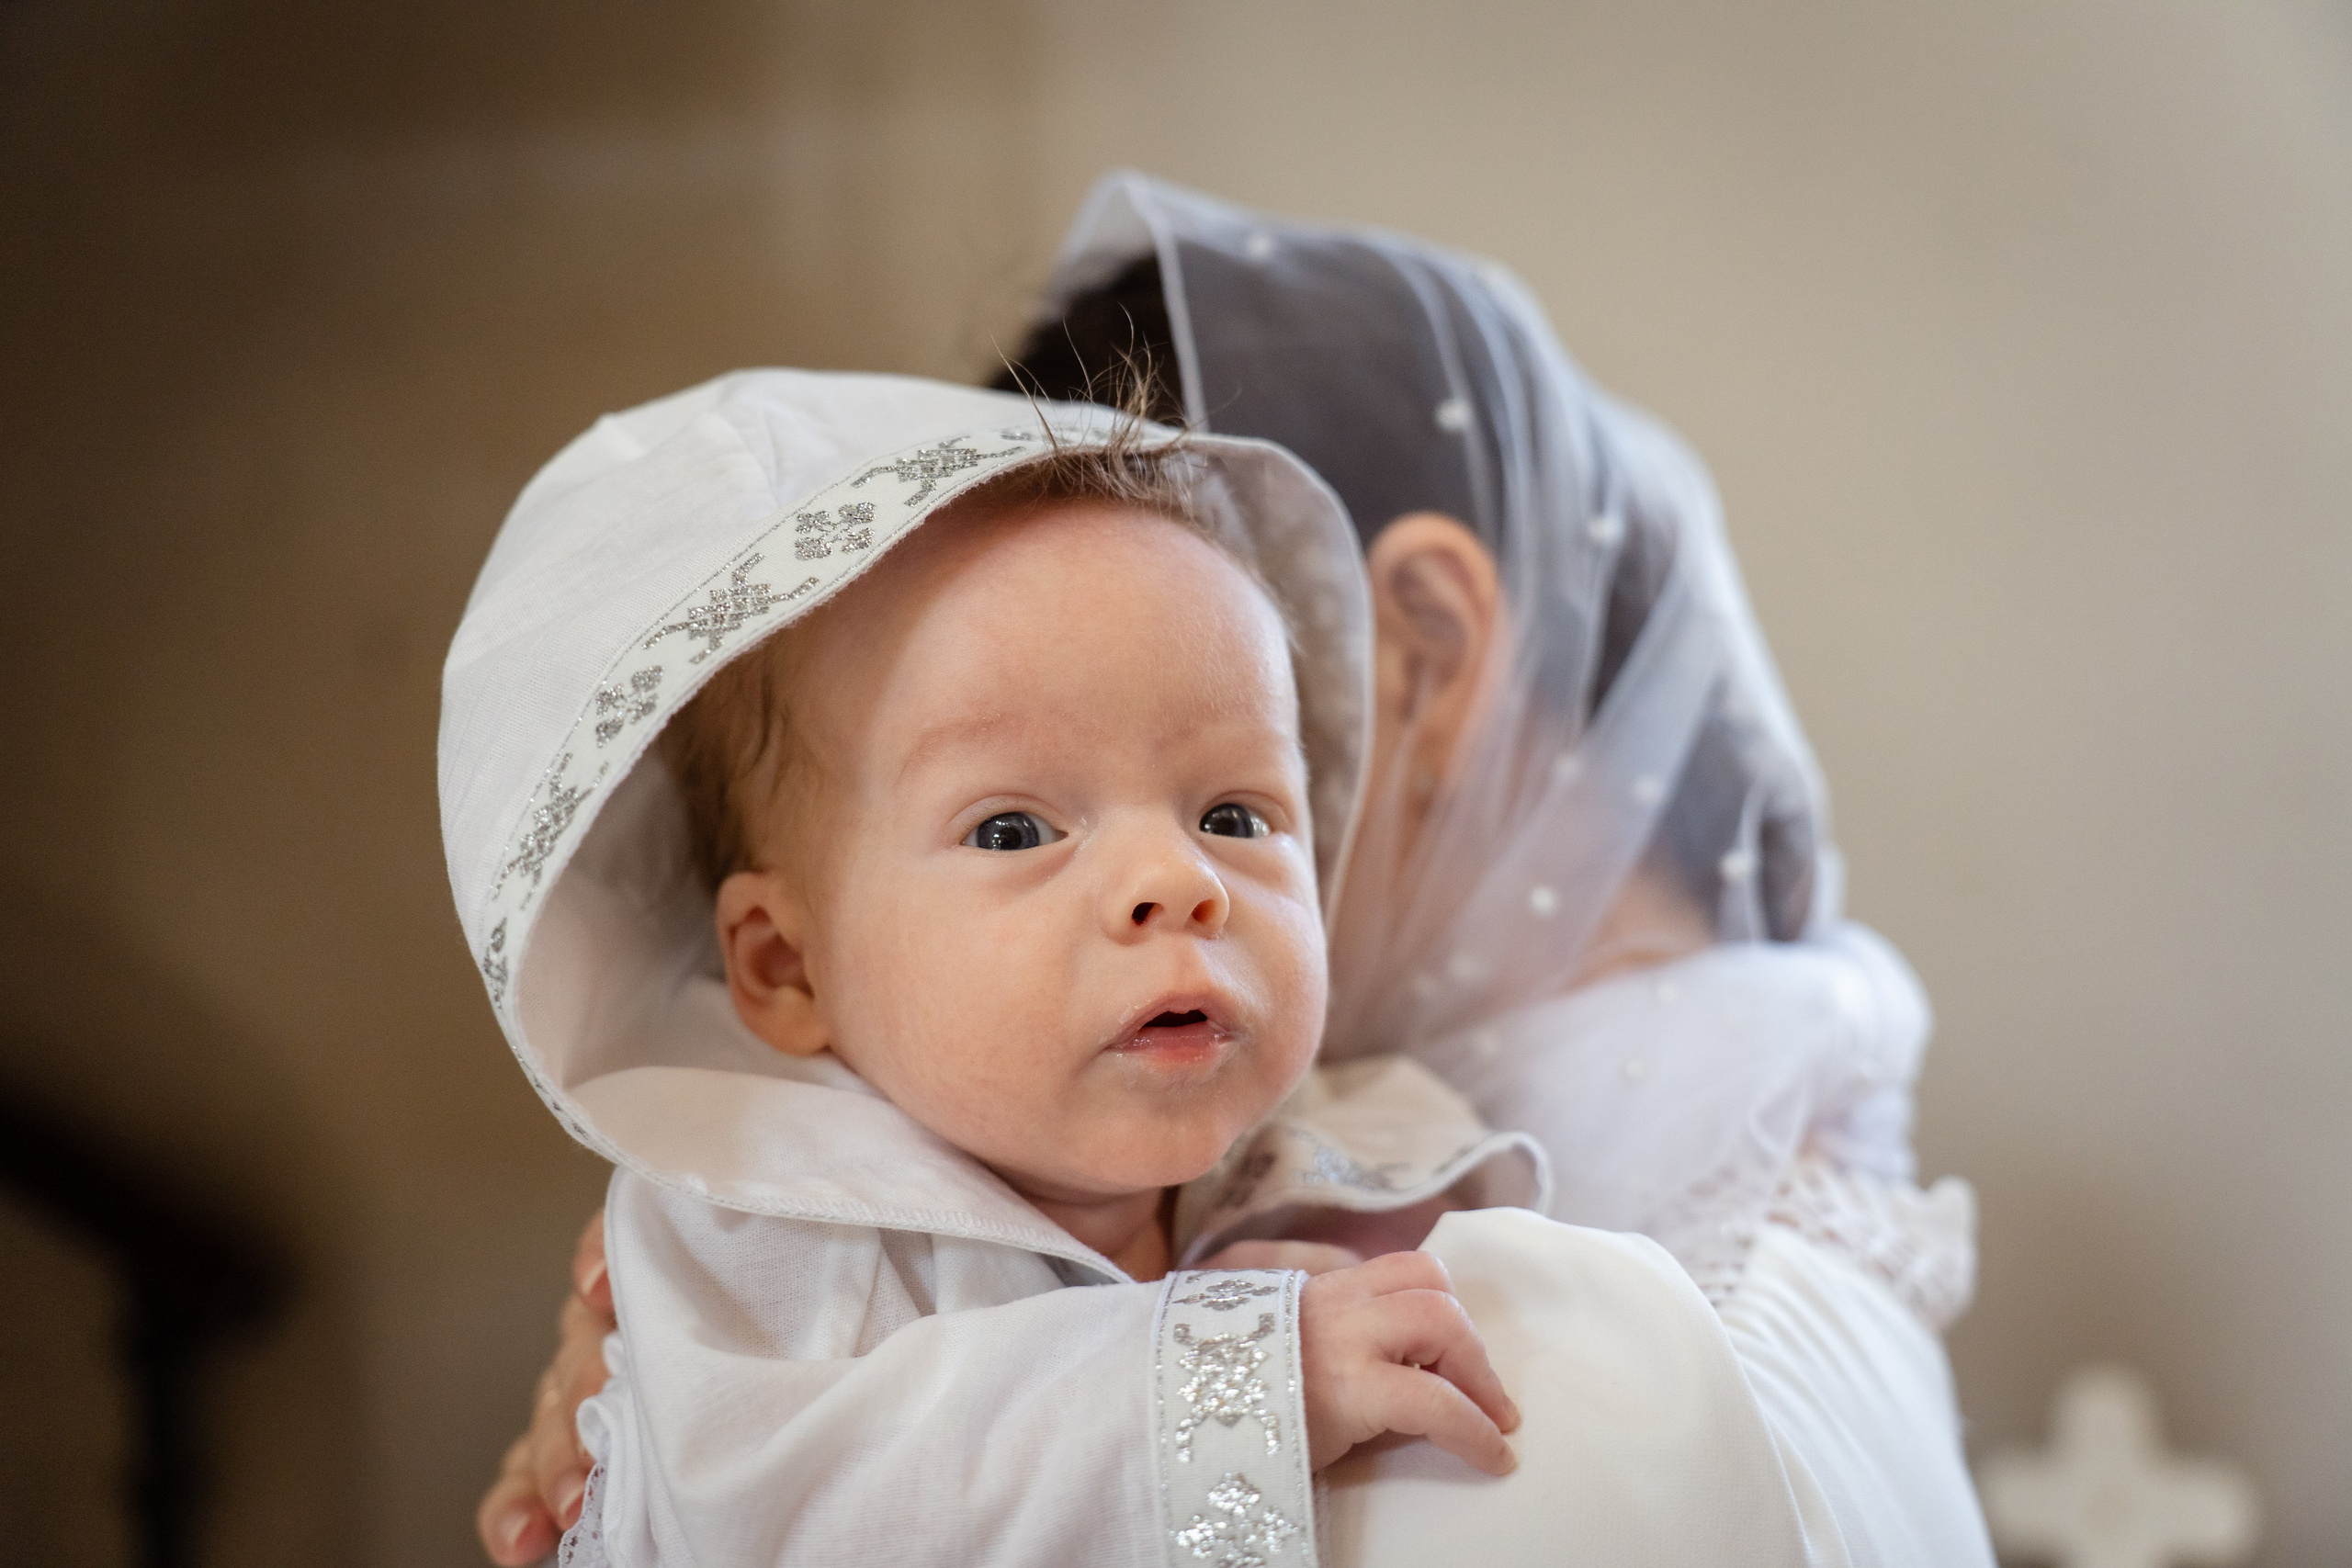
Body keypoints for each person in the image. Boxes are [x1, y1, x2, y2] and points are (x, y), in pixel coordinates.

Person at [476, 175, 1994, 1565]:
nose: (1174, 884)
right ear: (784, 969)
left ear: (1428, 651)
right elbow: (785, 1488)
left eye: (1240, 808)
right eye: (1015, 827)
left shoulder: (1542, 1333)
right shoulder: (787, 1236)